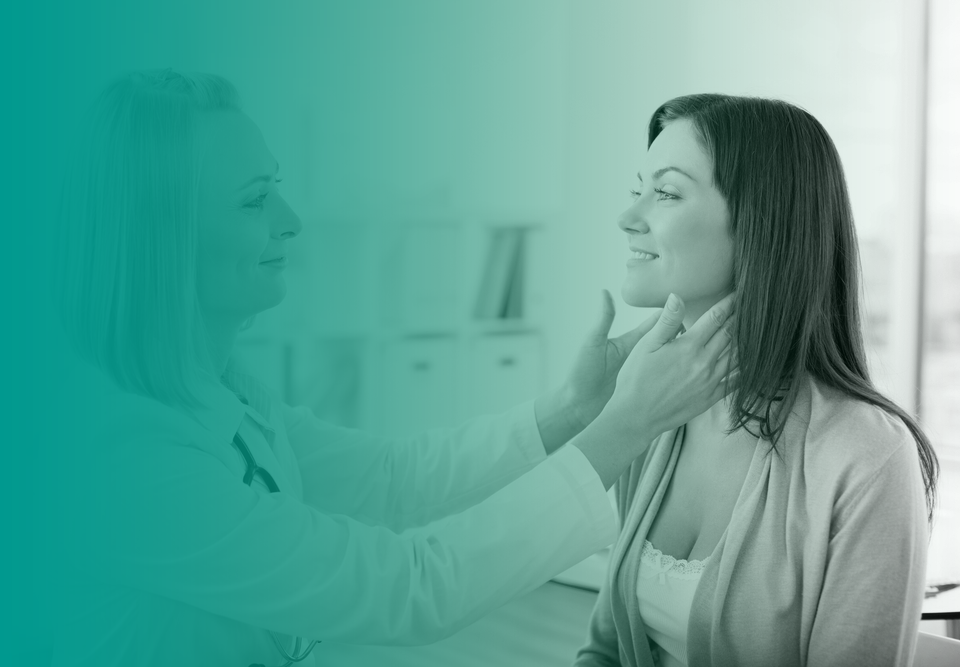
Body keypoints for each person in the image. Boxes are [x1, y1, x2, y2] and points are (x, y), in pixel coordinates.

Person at [44, 71, 737, 667]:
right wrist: (625, 426)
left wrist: (576, 407)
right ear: (163, 236)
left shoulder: (215, 383)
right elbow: (404, 587)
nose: (290, 221)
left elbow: (393, 480)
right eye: (255, 199)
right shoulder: (118, 456)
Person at [574, 94, 940, 667]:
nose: (628, 217)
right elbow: (604, 651)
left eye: (666, 192)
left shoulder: (867, 457)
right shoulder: (651, 412)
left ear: (761, 224)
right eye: (636, 188)